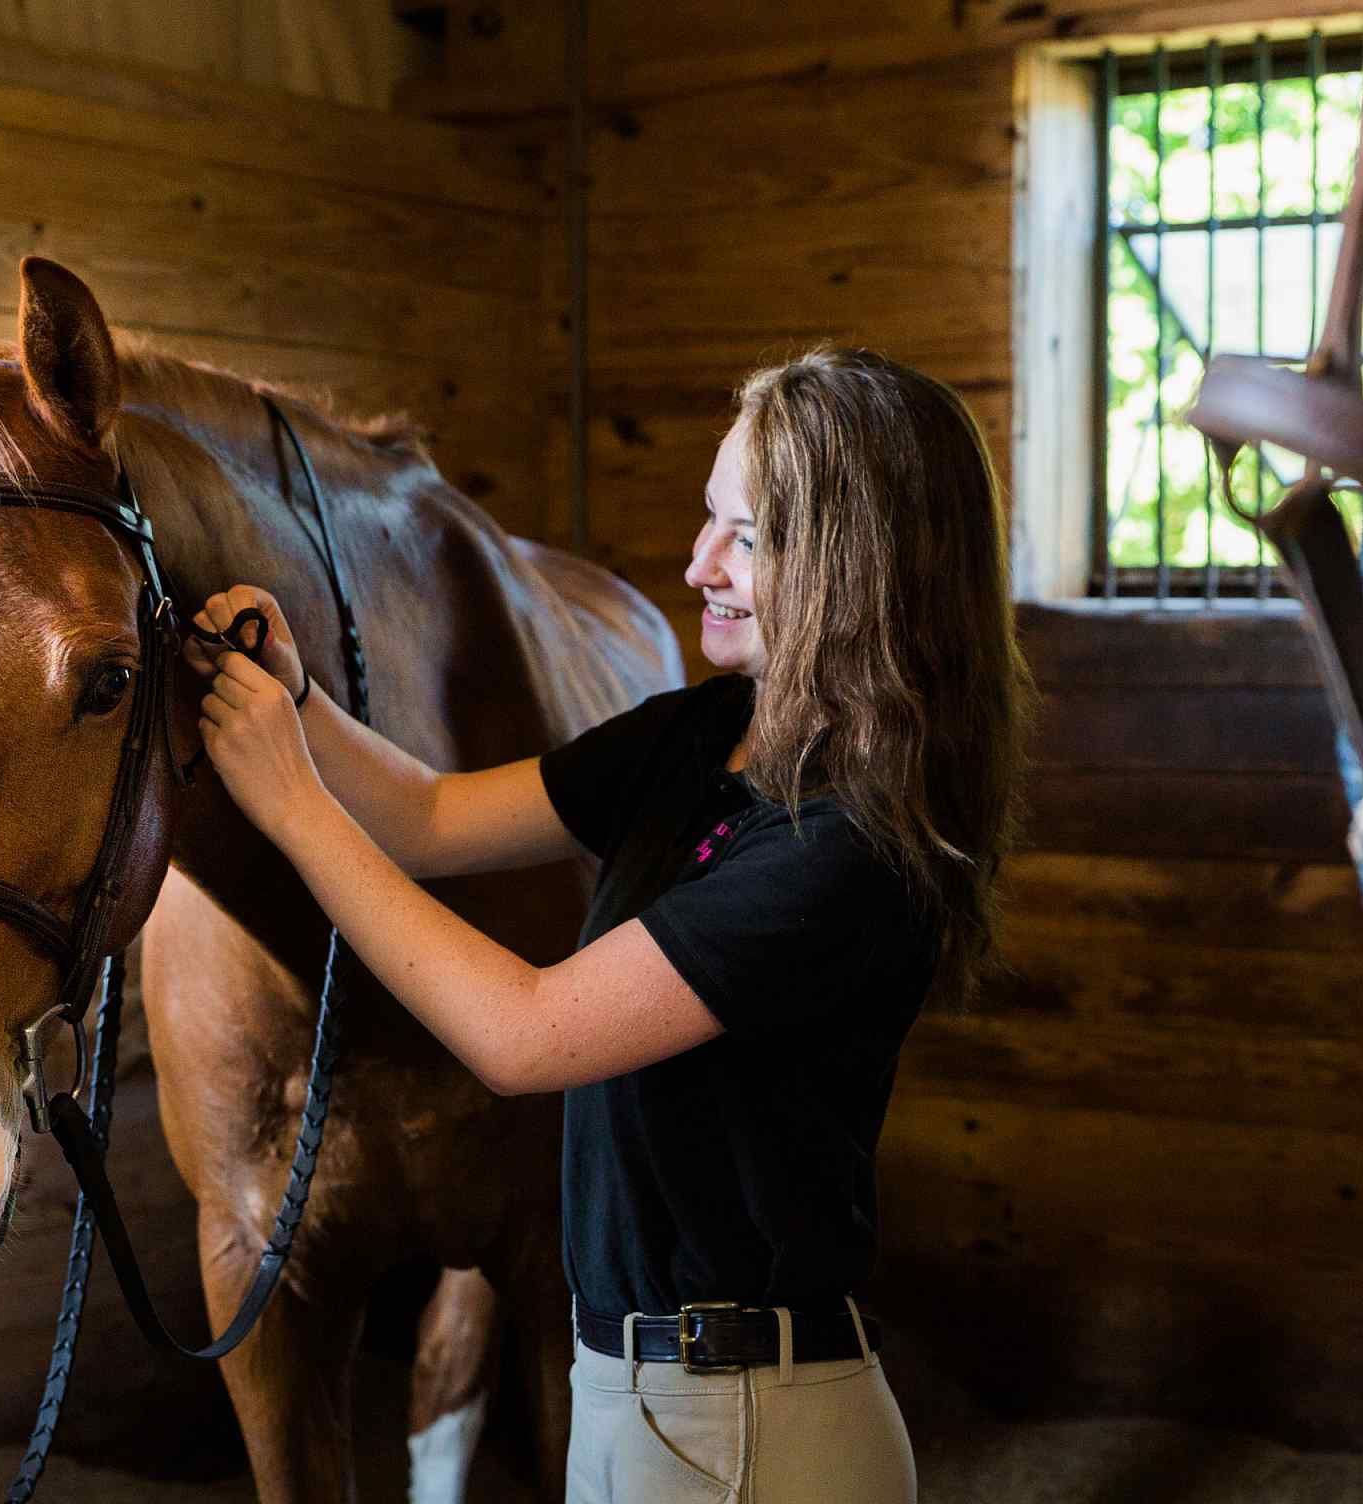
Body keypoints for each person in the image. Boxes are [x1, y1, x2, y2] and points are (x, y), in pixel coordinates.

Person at [188, 345, 1030, 1503]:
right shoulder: (703, 733)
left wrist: (288, 802)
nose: (697, 565)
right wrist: (301, 703)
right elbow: (430, 815)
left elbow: (524, 1033)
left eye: (746, 536)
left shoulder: (846, 849)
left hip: (746, 1427)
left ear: (852, 562)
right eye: (707, 522)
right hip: (643, 1397)